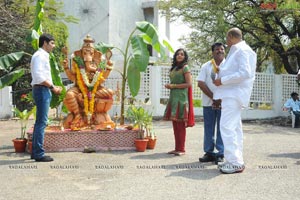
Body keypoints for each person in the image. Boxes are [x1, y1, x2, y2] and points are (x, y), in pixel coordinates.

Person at [213, 28, 257, 174]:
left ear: (231, 36)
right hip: (232, 94)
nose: (226, 41)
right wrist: (221, 71)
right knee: (235, 129)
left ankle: (235, 162)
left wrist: (222, 80)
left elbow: (245, 73)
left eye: (227, 37)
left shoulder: (241, 50)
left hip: (234, 94)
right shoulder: (239, 50)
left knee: (226, 127)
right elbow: (235, 70)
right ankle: (236, 160)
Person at [31, 33, 62, 162]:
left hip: (42, 90)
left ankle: (36, 152)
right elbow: (39, 77)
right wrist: (52, 87)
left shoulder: (43, 56)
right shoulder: (39, 56)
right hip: (42, 90)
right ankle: (38, 153)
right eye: (52, 43)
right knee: (41, 122)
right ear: (45, 43)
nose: (53, 46)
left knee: (40, 122)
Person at [197, 43, 225, 165]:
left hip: (224, 103)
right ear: (212, 52)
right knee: (208, 128)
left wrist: (220, 99)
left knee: (221, 128)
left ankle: (220, 153)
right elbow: (200, 83)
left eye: (222, 49)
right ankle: (209, 153)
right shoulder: (206, 66)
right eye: (217, 49)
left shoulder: (229, 65)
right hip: (209, 103)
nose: (220, 51)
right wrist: (214, 98)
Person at [163, 48, 194, 156]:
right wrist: (170, 86)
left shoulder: (185, 68)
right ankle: (177, 148)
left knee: (180, 125)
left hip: (181, 99)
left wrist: (173, 86)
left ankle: (182, 149)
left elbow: (189, 84)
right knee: (175, 125)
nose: (179, 56)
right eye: (178, 54)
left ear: (185, 57)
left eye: (182, 54)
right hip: (173, 98)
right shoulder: (174, 68)